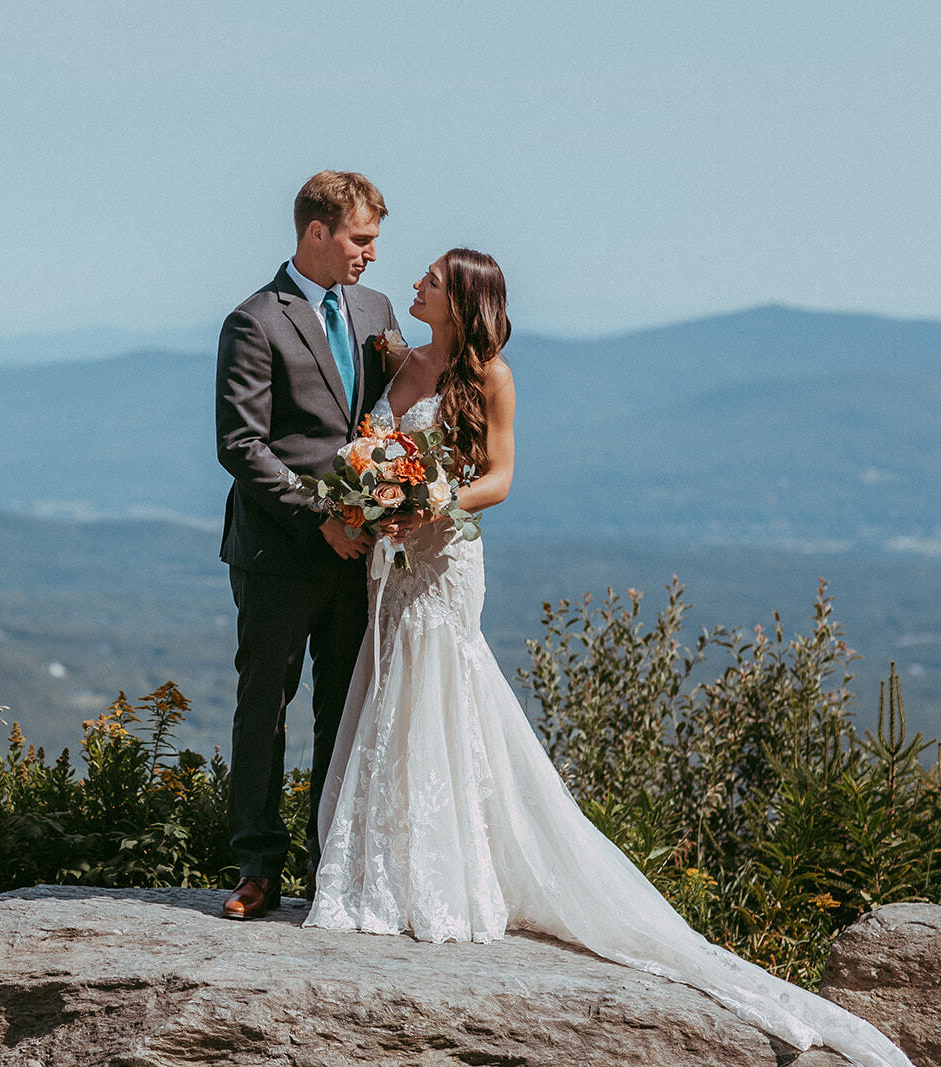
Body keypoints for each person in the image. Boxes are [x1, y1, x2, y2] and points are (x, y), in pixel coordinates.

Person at [304, 248, 912, 1067]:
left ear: (464, 299)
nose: (415, 284)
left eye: (433, 280)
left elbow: (502, 478)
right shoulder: (399, 362)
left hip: (448, 559)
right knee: (391, 690)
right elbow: (377, 449)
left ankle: (446, 873)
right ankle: (390, 863)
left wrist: (432, 499)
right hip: (394, 561)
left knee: (441, 686)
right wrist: (373, 504)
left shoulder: (494, 378)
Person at [215, 171, 402, 920]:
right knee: (264, 705)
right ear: (316, 233)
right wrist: (318, 515)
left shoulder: (378, 311)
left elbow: (392, 416)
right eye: (361, 240)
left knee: (343, 710)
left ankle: (333, 862)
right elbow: (241, 444)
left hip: (360, 552)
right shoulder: (255, 319)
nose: (372, 255)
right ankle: (259, 864)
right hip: (278, 552)